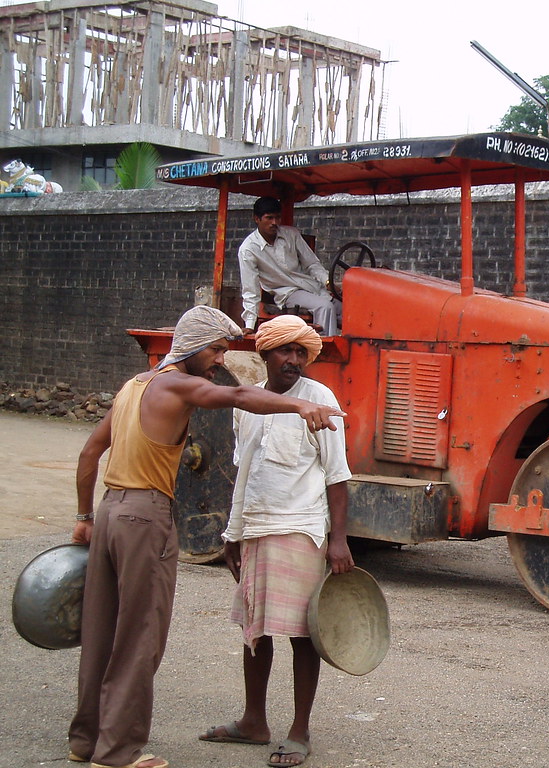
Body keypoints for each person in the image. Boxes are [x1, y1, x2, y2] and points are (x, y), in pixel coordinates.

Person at [68, 306, 344, 768]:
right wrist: (299, 405)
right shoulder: (179, 383)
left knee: (101, 631)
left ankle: (84, 741)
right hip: (145, 517)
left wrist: (83, 516)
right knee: (139, 636)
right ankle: (117, 751)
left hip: (112, 511)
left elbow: (89, 451)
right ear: (194, 348)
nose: (218, 360)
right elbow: (238, 399)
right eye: (216, 349)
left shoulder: (132, 387)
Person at [198, 315, 354, 767]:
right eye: (285, 350)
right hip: (254, 529)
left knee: (304, 634)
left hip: (301, 529)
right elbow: (242, 473)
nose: (293, 359)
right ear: (264, 354)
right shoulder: (245, 404)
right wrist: (232, 532)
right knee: (255, 630)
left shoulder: (320, 398)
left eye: (300, 352)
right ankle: (253, 721)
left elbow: (337, 476)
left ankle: (299, 730)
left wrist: (338, 540)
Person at [238, 197, 341, 336]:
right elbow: (251, 290)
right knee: (325, 307)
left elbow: (312, 263)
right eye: (269, 218)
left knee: (350, 310)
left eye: (277, 218)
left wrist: (327, 282)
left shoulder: (291, 234)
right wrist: (250, 324)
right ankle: (321, 352)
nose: (274, 223)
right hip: (287, 293)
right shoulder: (249, 249)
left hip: (312, 287)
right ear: (257, 219)